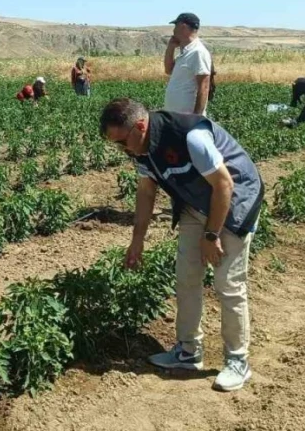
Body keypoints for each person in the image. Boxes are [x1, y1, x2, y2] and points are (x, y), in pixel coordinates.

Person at [100, 98, 263, 391]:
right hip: (193, 204)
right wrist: (137, 242)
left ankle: (238, 361)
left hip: (234, 200)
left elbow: (225, 185)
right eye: (116, 145)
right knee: (186, 277)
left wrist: (211, 236)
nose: (121, 150)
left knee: (228, 283)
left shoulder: (191, 137)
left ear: (139, 126)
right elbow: (146, 194)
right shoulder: (140, 149)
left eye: (122, 142)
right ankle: (188, 352)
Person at [164, 13, 213, 116]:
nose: (173, 30)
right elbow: (168, 70)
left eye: (175, 26)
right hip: (176, 117)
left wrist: (196, 118)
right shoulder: (185, 52)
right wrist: (171, 47)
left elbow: (204, 87)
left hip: (187, 119)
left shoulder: (198, 52)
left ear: (183, 27)